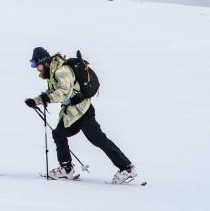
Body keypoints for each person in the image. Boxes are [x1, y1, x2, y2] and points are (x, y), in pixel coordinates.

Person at [25, 47, 137, 184]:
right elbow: (52, 92)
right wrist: (35, 100)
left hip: (82, 111)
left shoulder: (61, 71)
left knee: (98, 139)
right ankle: (66, 170)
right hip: (71, 113)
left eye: (38, 66)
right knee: (59, 133)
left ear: (45, 62)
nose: (37, 69)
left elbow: (63, 92)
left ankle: (127, 168)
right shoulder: (53, 72)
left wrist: (45, 99)